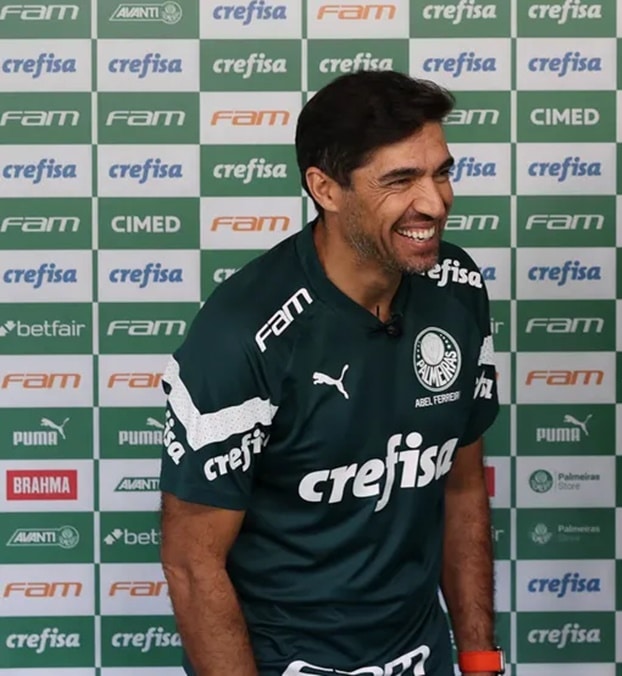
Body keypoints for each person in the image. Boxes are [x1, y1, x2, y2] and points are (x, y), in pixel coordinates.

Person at [157, 70, 506, 676]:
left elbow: (462, 485)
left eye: (441, 171)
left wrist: (478, 659)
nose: (435, 202)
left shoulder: (458, 285)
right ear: (325, 187)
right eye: (400, 180)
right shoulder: (239, 332)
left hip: (421, 655)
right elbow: (192, 564)